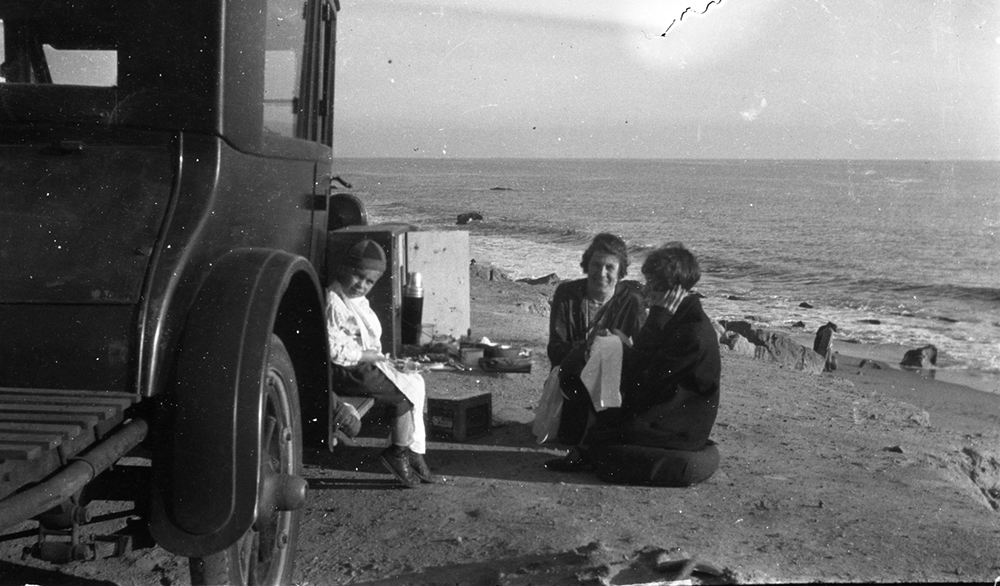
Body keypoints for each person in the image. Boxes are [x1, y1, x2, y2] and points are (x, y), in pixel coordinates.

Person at [545, 243, 721, 473]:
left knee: (602, 439)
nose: (647, 291)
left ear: (674, 290)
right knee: (601, 425)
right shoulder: (678, 317)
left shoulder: (690, 331)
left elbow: (641, 379)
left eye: (654, 286)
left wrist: (656, 318)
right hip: (664, 412)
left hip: (677, 426)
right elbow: (643, 369)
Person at [326, 239, 435, 488]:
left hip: (359, 364)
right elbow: (334, 349)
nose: (362, 285)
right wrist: (373, 358)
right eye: (358, 276)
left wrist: (382, 358)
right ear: (344, 269)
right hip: (344, 369)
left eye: (369, 282)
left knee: (415, 381)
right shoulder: (333, 302)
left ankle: (415, 451)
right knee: (403, 396)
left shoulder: (358, 302)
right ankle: (397, 454)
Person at [547, 233, 646, 445]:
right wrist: (588, 347)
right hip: (573, 380)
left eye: (610, 267)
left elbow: (644, 353)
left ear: (621, 271)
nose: (601, 273)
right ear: (586, 265)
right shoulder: (567, 294)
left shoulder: (632, 301)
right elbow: (555, 350)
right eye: (596, 265)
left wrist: (614, 343)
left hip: (615, 384)